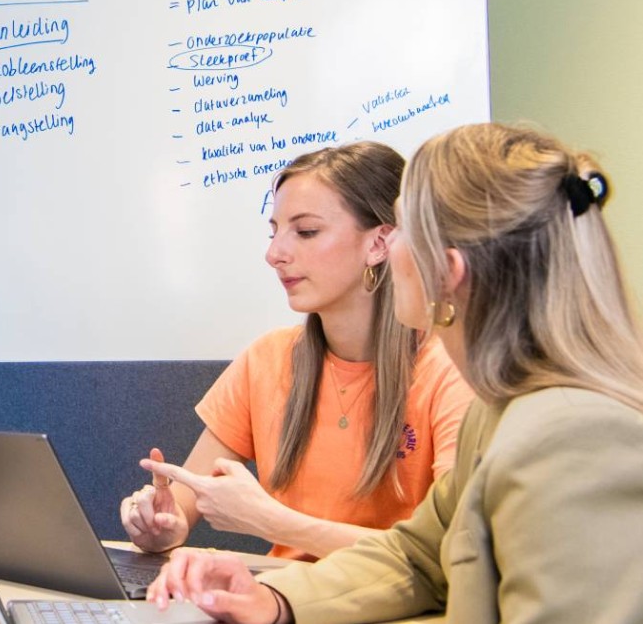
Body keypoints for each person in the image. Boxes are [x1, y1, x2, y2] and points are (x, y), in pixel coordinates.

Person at [145, 123, 643, 622]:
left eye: (403, 232)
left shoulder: (582, 436)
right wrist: (278, 602)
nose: (389, 245)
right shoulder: (505, 407)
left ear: (446, 271)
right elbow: (421, 558)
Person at [121, 142, 474, 562]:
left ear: (380, 243)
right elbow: (183, 502)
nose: (274, 255)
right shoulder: (268, 360)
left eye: (306, 232)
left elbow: (452, 551)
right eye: (274, 232)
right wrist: (163, 524)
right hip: (280, 601)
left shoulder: (450, 370)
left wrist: (274, 522)